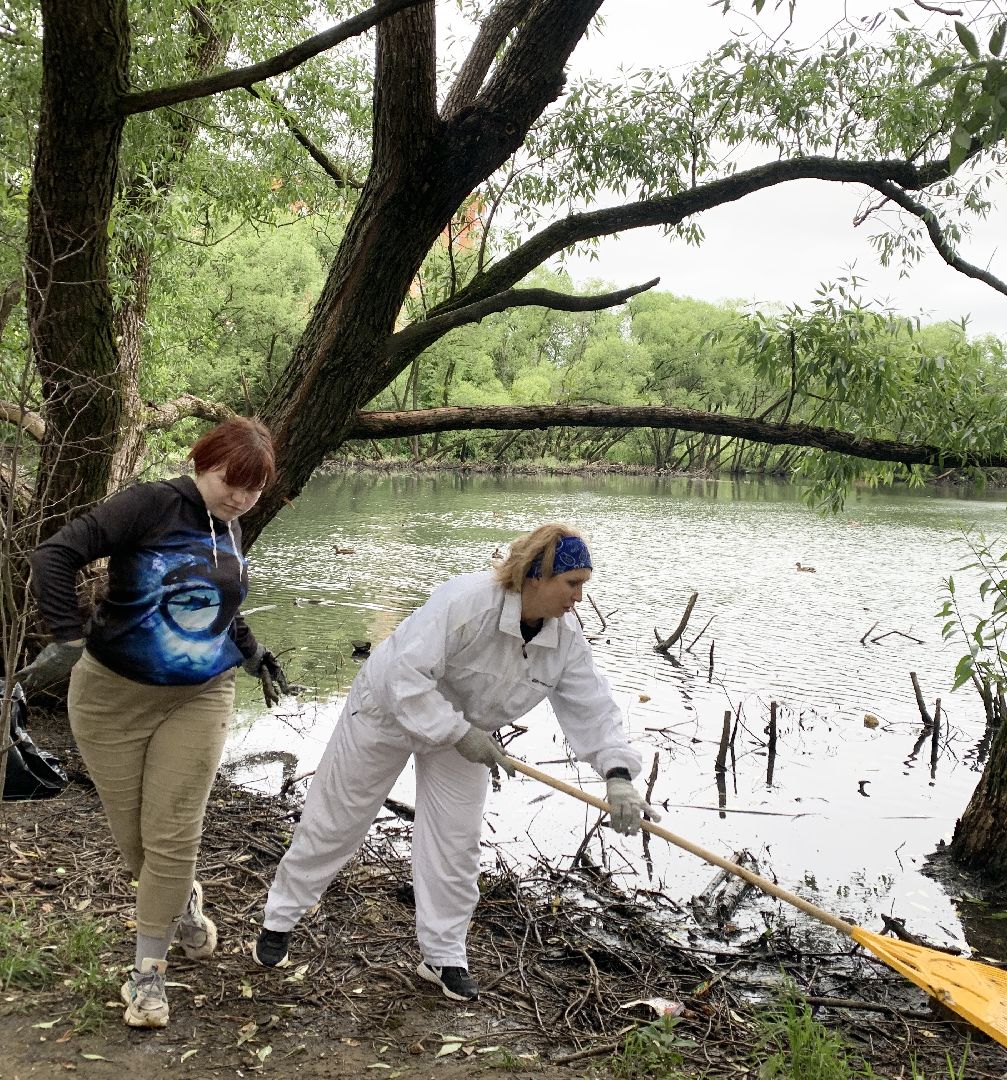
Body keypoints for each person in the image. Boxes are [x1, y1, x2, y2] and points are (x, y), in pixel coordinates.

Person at [253, 523, 657, 1001]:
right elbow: (404, 674)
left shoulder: (565, 642)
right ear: (535, 575)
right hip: (387, 710)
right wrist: (455, 731)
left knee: (456, 843)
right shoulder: (468, 601)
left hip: (468, 733)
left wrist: (618, 777)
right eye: (572, 584)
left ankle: (443, 955)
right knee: (338, 818)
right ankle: (280, 919)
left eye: (584, 585)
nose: (579, 598)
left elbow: (593, 708)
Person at [20, 417, 289, 1029]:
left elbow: (216, 607)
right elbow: (53, 556)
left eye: (255, 490)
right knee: (135, 842)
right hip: (111, 700)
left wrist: (253, 653)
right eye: (233, 482)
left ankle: (147, 977)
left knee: (172, 836)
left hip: (200, 697)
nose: (241, 498)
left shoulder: (232, 527)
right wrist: (64, 637)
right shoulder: (151, 505)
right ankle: (184, 908)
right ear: (204, 462)